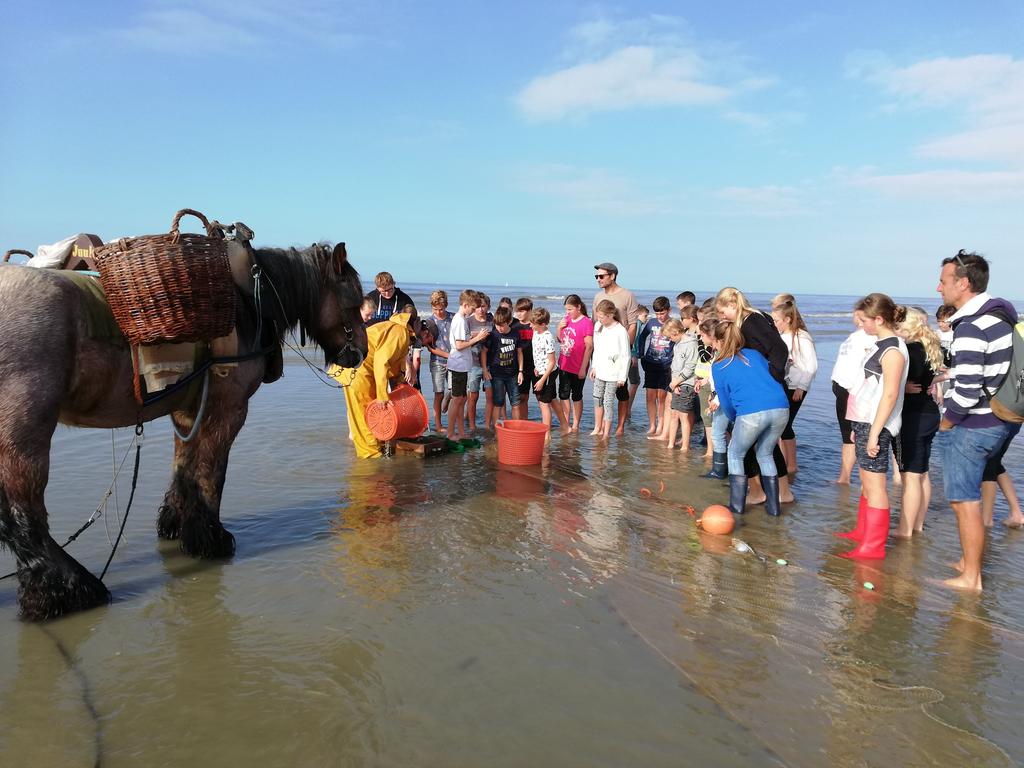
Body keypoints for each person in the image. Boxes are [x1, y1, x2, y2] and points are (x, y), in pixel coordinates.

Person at [937, 250, 1018, 592]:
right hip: (1002, 418)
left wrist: (947, 422)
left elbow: (967, 389)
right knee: (969, 497)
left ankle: (971, 578)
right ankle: (968, 563)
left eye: (943, 281)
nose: (938, 289)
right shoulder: (1000, 316)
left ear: (964, 283)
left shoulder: (971, 326)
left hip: (975, 425)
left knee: (964, 500)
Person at [836, 294, 909, 560]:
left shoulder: (893, 350)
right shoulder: (880, 345)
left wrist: (875, 433)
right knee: (867, 481)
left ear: (879, 319)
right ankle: (862, 532)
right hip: (865, 420)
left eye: (865, 320)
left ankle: (873, 547)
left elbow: (889, 395)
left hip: (878, 423)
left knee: (876, 484)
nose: (861, 324)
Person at [715, 287, 794, 504]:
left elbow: (779, 349)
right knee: (761, 447)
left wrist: (773, 377)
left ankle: (777, 492)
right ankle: (763, 491)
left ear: (733, 305)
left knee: (762, 447)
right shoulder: (752, 319)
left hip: (767, 388)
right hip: (762, 390)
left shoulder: (752, 321)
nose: (722, 318)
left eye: (723, 312)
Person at [332, 310, 417, 458]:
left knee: (371, 415)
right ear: (415, 324)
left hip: (363, 370)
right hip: (357, 370)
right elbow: (381, 362)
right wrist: (383, 397)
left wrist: (400, 383)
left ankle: (375, 451)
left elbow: (394, 363)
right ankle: (370, 460)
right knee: (363, 417)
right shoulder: (400, 332)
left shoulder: (395, 329)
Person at [893, 307, 943, 538]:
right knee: (922, 473)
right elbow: (930, 375)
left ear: (907, 327)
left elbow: (899, 384)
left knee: (910, 476)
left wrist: (901, 388)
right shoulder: (929, 346)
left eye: (898, 326)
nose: (895, 329)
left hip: (913, 416)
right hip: (930, 413)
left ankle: (904, 529)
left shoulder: (909, 350)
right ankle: (918, 525)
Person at [771, 295, 818, 475]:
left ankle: (791, 465)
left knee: (785, 425)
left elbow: (811, 365)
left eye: (776, 320)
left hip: (796, 387)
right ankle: (784, 461)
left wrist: (802, 387)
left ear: (788, 319)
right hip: (784, 384)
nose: (774, 324)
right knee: (782, 425)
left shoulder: (801, 337)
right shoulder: (783, 335)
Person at [592, 263, 640, 435]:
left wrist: (629, 349)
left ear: (612, 276)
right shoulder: (598, 297)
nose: (598, 279)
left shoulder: (627, 295)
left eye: (601, 276)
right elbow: (595, 325)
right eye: (596, 276)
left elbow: (633, 324)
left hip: (621, 353)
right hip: (603, 354)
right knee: (600, 395)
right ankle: (600, 428)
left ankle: (619, 427)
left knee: (621, 392)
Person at [831, 311, 876, 484]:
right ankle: (844, 477)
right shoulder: (855, 336)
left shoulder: (872, 338)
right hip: (843, 389)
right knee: (847, 435)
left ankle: (866, 479)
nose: (856, 318)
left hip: (856, 392)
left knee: (860, 435)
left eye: (861, 316)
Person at [447, 290, 490, 441]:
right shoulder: (459, 320)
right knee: (457, 399)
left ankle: (460, 431)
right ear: (465, 305)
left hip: (463, 365)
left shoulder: (462, 319)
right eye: (472, 308)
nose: (473, 311)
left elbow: (463, 338)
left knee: (462, 399)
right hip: (457, 364)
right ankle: (450, 432)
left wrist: (474, 336)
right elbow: (459, 345)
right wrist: (477, 338)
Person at [589, 300, 630, 439]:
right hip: (600, 370)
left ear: (611, 314)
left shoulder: (620, 330)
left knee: (608, 402)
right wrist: (594, 366)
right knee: (597, 399)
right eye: (598, 316)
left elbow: (626, 355)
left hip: (614, 374)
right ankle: (597, 428)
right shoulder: (598, 326)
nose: (599, 319)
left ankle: (606, 432)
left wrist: (622, 376)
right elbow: (597, 349)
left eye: (601, 317)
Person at [481, 306, 524, 429]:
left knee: (515, 403)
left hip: (512, 374)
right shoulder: (493, 335)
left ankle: (516, 429)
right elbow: (484, 351)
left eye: (502, 325)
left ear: (509, 322)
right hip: (497, 374)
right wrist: (485, 369)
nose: (499, 328)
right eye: (497, 325)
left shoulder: (515, 334)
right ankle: (496, 430)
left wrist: (521, 371)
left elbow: (519, 352)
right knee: (498, 403)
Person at [638, 296, 674, 437]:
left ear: (669, 310)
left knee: (662, 398)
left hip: (666, 365)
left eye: (662, 313)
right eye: (657, 313)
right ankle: (652, 425)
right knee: (650, 396)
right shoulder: (651, 323)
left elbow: (679, 341)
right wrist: (641, 354)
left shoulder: (673, 323)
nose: (659, 316)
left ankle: (661, 425)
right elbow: (642, 337)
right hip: (651, 363)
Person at [664, 308, 700, 451]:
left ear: (676, 332)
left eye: (670, 337)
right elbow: (675, 366)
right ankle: (670, 444)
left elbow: (690, 367)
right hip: (677, 384)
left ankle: (685, 446)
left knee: (683, 416)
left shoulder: (691, 344)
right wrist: (674, 383)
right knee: (674, 414)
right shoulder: (677, 344)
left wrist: (677, 381)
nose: (669, 340)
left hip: (687, 384)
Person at [557, 295, 594, 433]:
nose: (568, 312)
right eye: (566, 309)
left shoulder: (586, 322)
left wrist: (583, 368)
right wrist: (558, 328)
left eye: (570, 309)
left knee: (576, 395)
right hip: (564, 364)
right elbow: (561, 339)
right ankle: (566, 423)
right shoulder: (566, 319)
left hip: (578, 365)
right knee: (563, 394)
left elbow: (589, 346)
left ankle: (576, 424)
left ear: (578, 307)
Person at [424, 290, 453, 433]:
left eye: (441, 309)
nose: (439, 312)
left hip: (455, 361)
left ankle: (448, 401)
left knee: (456, 390)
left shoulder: (454, 318)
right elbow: (431, 348)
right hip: (437, 361)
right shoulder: (429, 322)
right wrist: (449, 356)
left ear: (446, 305)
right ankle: (438, 424)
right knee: (438, 393)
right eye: (435, 309)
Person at [530, 308, 561, 434]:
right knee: (552, 399)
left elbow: (552, 361)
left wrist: (543, 380)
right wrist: (536, 367)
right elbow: (537, 353)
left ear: (543, 324)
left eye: (533, 323)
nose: (530, 325)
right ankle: (565, 426)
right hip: (540, 370)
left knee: (544, 403)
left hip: (548, 373)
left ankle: (546, 434)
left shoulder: (548, 337)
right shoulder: (536, 333)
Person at [466, 294, 494, 433]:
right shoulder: (468, 321)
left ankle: (488, 425)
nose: (480, 310)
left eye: (483, 306)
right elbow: (461, 340)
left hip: (491, 363)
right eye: (477, 307)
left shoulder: (492, 319)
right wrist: (476, 336)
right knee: (473, 396)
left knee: (490, 395)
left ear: (488, 307)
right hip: (473, 363)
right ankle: (472, 425)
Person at [512, 298, 535, 420]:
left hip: (535, 365)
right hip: (520, 366)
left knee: (540, 397)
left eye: (522, 311)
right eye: (517, 311)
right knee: (522, 396)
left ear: (530, 311)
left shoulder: (535, 325)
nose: (518, 314)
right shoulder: (514, 326)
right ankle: (522, 421)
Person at [627, 304, 649, 419]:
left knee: (630, 382)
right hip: (632, 356)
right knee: (635, 382)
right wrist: (634, 355)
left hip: (629, 355)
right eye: (645, 316)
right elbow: (634, 341)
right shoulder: (638, 324)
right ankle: (627, 408)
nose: (646, 319)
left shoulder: (633, 324)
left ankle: (626, 407)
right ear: (638, 314)